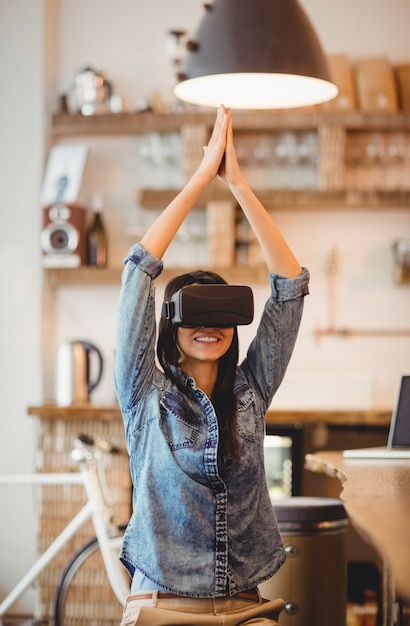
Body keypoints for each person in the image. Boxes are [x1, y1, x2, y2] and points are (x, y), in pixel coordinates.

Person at [114, 105, 310, 626]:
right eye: (193, 311)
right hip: (162, 604)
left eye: (221, 312)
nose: (210, 324)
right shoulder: (143, 396)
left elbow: (289, 292)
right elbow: (137, 276)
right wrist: (201, 178)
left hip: (245, 605)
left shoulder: (252, 391)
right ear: (169, 326)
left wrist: (239, 185)